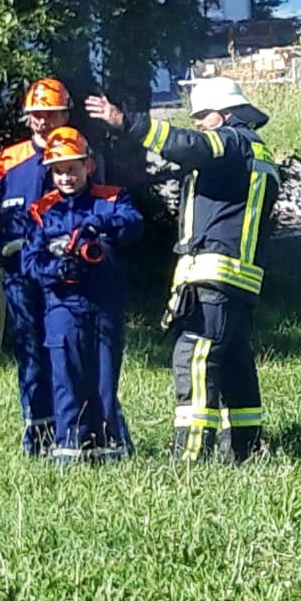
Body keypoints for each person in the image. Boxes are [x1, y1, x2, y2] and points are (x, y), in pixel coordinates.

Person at [84, 77, 280, 464]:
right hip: (238, 278)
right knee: (234, 363)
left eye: (203, 117)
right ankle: (243, 449)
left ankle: (188, 457)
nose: (199, 125)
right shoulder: (257, 153)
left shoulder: (231, 142)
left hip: (213, 274)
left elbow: (191, 146)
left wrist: (128, 123)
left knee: (193, 358)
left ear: (226, 115)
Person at [22, 127, 143, 464]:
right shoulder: (41, 211)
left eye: (72, 168)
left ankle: (110, 450)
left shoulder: (114, 198)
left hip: (105, 305)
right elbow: (29, 262)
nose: (66, 177)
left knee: (104, 381)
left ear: (88, 165)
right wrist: (58, 269)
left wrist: (95, 224)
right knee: (66, 381)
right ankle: (69, 452)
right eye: (59, 171)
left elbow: (134, 226)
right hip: (62, 306)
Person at [0, 78, 71, 456]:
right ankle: (39, 436)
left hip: (65, 276)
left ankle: (71, 430)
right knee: (31, 353)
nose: (42, 122)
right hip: (20, 277)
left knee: (63, 350)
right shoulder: (6, 161)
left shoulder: (80, 157)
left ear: (64, 114)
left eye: (49, 114)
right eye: (36, 115)